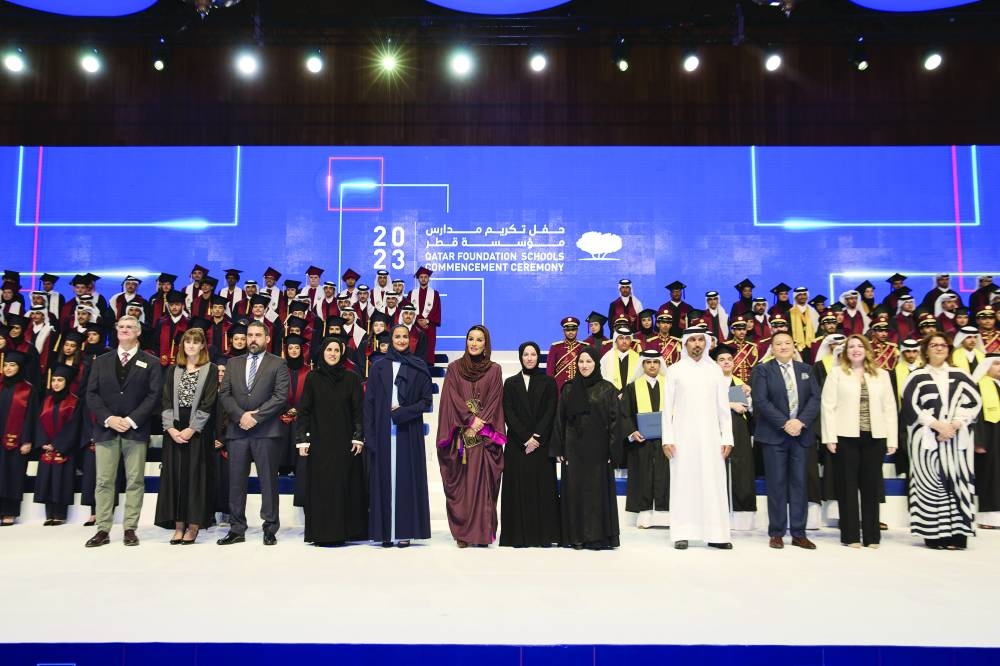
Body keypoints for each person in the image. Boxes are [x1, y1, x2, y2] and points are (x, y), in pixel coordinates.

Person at [83, 315, 162, 546]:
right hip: (106, 429)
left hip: (135, 430)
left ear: (138, 332)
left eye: (130, 327)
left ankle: (130, 528)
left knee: (135, 481)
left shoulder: (151, 362)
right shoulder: (101, 361)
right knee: (104, 481)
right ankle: (103, 529)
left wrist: (131, 419)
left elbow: (154, 396)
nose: (125, 329)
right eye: (121, 326)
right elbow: (91, 394)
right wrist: (109, 418)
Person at [901, 333, 982, 550]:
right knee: (931, 484)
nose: (939, 348)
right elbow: (910, 405)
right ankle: (934, 535)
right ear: (926, 351)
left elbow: (974, 402)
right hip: (926, 440)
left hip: (957, 439)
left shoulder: (961, 375)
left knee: (958, 482)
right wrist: (937, 425)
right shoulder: (917, 376)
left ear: (949, 349)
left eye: (943, 345)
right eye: (934, 345)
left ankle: (959, 535)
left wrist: (954, 424)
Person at [217, 321, 290, 546]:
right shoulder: (233, 363)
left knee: (268, 481)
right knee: (236, 483)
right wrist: (241, 416)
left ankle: (270, 528)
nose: (253, 339)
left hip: (266, 431)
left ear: (267, 338)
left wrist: (256, 417)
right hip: (238, 431)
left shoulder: (278, 363)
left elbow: (280, 396)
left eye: (258, 335)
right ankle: (237, 528)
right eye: (249, 335)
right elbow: (224, 394)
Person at [821, 334, 898, 548]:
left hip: (875, 437)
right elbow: (828, 406)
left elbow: (890, 408)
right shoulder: (836, 373)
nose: (856, 349)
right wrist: (830, 437)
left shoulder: (882, 375)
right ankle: (850, 535)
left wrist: (892, 438)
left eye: (859, 346)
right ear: (845, 352)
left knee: (871, 487)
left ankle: (872, 536)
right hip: (845, 437)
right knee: (847, 487)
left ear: (867, 350)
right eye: (851, 346)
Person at [660, 329, 734, 549]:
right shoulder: (675, 370)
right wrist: (667, 438)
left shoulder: (715, 371)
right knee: (683, 483)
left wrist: (727, 437)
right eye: (692, 340)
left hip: (712, 438)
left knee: (713, 484)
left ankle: (717, 534)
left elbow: (723, 408)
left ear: (706, 343)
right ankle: (682, 533)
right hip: (682, 438)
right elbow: (667, 408)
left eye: (701, 339)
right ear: (685, 344)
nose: (697, 344)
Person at [364, 324, 434, 547]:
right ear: (391, 339)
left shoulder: (418, 365)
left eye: (405, 336)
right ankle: (385, 532)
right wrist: (370, 437)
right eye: (397, 336)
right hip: (382, 432)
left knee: (405, 482)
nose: (402, 340)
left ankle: (404, 532)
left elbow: (426, 401)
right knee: (384, 481)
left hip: (408, 431)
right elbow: (369, 403)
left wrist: (403, 413)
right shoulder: (378, 366)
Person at [436, 325, 506, 548]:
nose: (474, 343)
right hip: (460, 438)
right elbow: (450, 399)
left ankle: (483, 534)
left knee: (484, 487)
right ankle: (463, 534)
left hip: (484, 439)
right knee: (463, 487)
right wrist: (468, 420)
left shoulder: (494, 370)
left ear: (486, 344)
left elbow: (495, 399)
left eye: (479, 340)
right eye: (471, 339)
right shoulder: (454, 368)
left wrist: (478, 424)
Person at [751, 331, 822, 549]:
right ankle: (777, 532)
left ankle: (799, 533)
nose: (783, 347)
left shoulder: (806, 370)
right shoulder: (762, 370)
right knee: (776, 484)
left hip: (801, 435)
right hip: (774, 435)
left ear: (794, 346)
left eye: (787, 343)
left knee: (800, 484)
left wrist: (800, 422)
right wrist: (785, 423)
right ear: (772, 348)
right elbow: (761, 400)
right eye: (778, 344)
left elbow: (815, 399)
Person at [295, 337, 367, 546]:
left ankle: (343, 532)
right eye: (329, 350)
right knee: (322, 488)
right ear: (322, 352)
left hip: (345, 443)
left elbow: (358, 411)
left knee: (343, 486)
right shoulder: (312, 378)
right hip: (319, 443)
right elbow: (304, 410)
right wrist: (303, 439)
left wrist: (358, 436)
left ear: (342, 353)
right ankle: (322, 534)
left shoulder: (352, 378)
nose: (333, 354)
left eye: (337, 350)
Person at [550, 346, 623, 550]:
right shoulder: (569, 388)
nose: (584, 365)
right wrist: (559, 449)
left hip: (598, 450)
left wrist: (613, 451)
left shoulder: (607, 389)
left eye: (588, 361)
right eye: (581, 361)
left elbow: (615, 423)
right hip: (573, 449)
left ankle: (597, 537)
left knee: (596, 493)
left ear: (596, 364)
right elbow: (560, 419)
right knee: (575, 492)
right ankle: (576, 537)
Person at [154, 328, 218, 544]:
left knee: (195, 478)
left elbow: (209, 401)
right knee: (175, 477)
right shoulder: (173, 370)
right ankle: (179, 525)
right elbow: (165, 399)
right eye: (187, 341)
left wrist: (192, 429)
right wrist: (170, 428)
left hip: (197, 431)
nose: (191, 345)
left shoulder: (210, 369)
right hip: (174, 429)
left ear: (202, 346)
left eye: (195, 342)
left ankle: (193, 526)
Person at [499, 341, 560, 547]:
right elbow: (509, 413)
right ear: (520, 357)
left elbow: (550, 411)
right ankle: (518, 536)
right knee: (518, 490)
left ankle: (543, 536)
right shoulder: (510, 383)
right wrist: (526, 438)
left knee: (542, 490)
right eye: (526, 354)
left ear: (538, 357)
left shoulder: (549, 382)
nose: (529, 358)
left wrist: (537, 437)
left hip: (541, 446)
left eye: (533, 354)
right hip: (518, 446)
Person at [620, 349, 670, 529]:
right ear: (643, 365)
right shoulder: (633, 387)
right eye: (648, 362)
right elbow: (624, 413)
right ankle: (644, 515)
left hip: (666, 440)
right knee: (643, 475)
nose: (652, 365)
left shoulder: (669, 385)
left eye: (656, 362)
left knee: (666, 475)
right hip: (641, 440)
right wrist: (632, 431)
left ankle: (665, 516)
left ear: (660, 364)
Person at [712, 343, 757, 532]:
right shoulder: (710, 383)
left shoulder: (741, 383)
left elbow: (751, 410)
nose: (726, 362)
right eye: (721, 360)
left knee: (742, 470)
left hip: (739, 430)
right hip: (716, 429)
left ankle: (741, 519)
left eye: (729, 359)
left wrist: (749, 396)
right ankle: (717, 517)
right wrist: (730, 405)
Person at [33, 364, 84, 525]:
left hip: (65, 450)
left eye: (60, 380)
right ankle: (49, 514)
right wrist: (44, 442)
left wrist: (58, 444)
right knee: (47, 480)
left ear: (67, 382)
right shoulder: (46, 400)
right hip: (47, 449)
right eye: (54, 380)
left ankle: (60, 515)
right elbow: (39, 423)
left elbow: (74, 426)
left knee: (61, 481)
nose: (55, 383)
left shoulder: (74, 402)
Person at [0, 350, 38, 525]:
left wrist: (27, 440)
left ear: (20, 367)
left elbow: (31, 417)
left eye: (12, 365)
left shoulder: (27, 389)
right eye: (6, 365)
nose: (8, 368)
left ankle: (10, 511)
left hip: (17, 440)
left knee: (13, 476)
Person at [973, 354, 1000, 529]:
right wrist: (978, 441)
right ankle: (988, 519)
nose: (999, 367)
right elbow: (974, 416)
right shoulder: (979, 386)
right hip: (989, 438)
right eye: (996, 364)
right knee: (990, 477)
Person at [546, 316, 583, 393]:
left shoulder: (583, 347)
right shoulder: (555, 347)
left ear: (577, 330)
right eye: (568, 330)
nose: (570, 332)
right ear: (563, 331)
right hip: (560, 389)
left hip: (580, 388)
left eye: (573, 329)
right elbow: (550, 371)